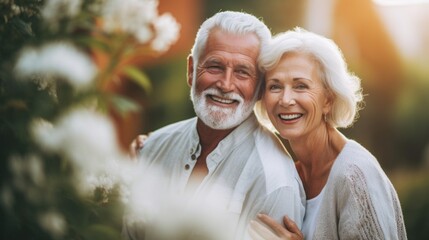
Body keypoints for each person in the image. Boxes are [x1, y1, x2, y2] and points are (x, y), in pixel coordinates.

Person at [122, 11, 305, 240]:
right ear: (191, 70)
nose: (226, 85)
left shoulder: (275, 182)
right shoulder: (152, 148)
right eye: (215, 66)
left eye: (242, 72)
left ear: (260, 86)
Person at [250, 27, 407, 239]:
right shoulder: (291, 173)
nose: (285, 99)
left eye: (301, 86)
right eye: (275, 86)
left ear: (328, 100)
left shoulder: (355, 177)